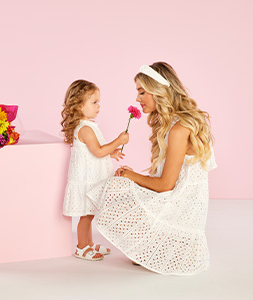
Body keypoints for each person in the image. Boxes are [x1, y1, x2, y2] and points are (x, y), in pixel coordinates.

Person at [87, 62, 217, 274]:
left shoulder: (179, 128)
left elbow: (166, 185)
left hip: (182, 208)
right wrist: (132, 176)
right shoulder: (172, 124)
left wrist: (132, 176)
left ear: (159, 91)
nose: (137, 99)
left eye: (141, 92)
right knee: (121, 185)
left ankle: (164, 245)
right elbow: (169, 177)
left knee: (115, 187)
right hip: (177, 199)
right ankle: (154, 244)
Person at [61, 79, 129, 261]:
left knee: (89, 214)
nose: (99, 106)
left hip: (92, 178)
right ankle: (82, 247)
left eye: (99, 102)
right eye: (94, 102)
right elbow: (98, 151)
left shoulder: (88, 126)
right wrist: (118, 141)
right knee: (86, 216)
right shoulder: (84, 129)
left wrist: (111, 153)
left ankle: (89, 244)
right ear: (78, 105)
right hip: (86, 180)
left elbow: (97, 151)